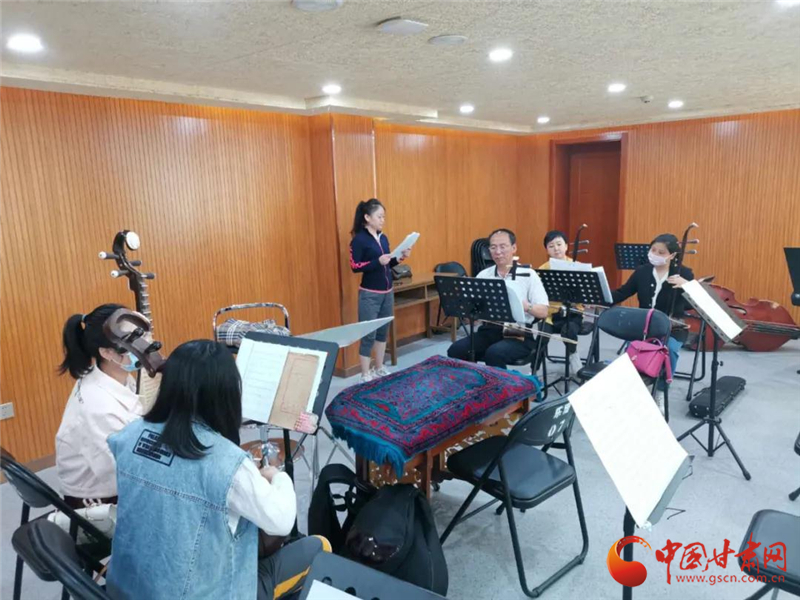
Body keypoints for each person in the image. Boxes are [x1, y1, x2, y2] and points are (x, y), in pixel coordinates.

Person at [106, 340, 328, 600]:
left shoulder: (128, 435)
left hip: (125, 589)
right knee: (318, 547)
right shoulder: (227, 463)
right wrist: (277, 475)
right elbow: (281, 521)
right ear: (225, 394)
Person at [56, 303, 145, 508]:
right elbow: (121, 477)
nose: (142, 346)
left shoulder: (113, 376)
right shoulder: (98, 407)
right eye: (132, 341)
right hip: (97, 501)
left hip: (113, 478)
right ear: (107, 352)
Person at [611, 233, 694, 409]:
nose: (655, 254)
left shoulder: (683, 273)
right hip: (644, 327)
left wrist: (686, 285)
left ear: (672, 255)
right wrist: (598, 296)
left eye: (661, 252)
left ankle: (661, 391)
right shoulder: (642, 271)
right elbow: (622, 293)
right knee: (632, 351)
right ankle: (633, 390)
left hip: (673, 327)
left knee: (669, 350)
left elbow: (694, 302)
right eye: (653, 250)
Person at [447, 228, 549, 369]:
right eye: (493, 247)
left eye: (503, 246)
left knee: (495, 353)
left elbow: (543, 311)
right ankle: (474, 380)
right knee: (456, 350)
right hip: (488, 330)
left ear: (514, 248)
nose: (498, 252)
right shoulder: (484, 275)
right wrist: (470, 313)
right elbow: (472, 316)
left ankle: (498, 384)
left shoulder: (529, 275)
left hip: (517, 332)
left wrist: (527, 307)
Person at [349, 198, 410, 383]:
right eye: (379, 216)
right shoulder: (359, 240)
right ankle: (365, 373)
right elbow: (355, 266)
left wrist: (400, 258)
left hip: (387, 292)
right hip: (370, 294)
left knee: (383, 332)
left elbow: (388, 263)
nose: (383, 220)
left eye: (384, 217)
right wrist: (377, 261)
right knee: (369, 334)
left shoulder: (383, 238)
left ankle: (379, 367)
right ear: (367, 218)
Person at [538, 230, 584, 377]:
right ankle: (534, 369)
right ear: (547, 250)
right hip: (550, 313)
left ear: (566, 246)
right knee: (541, 336)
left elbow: (585, 293)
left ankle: (573, 356)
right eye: (551, 246)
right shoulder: (542, 270)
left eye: (559, 244)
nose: (556, 249)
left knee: (569, 331)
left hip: (573, 312)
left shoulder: (577, 266)